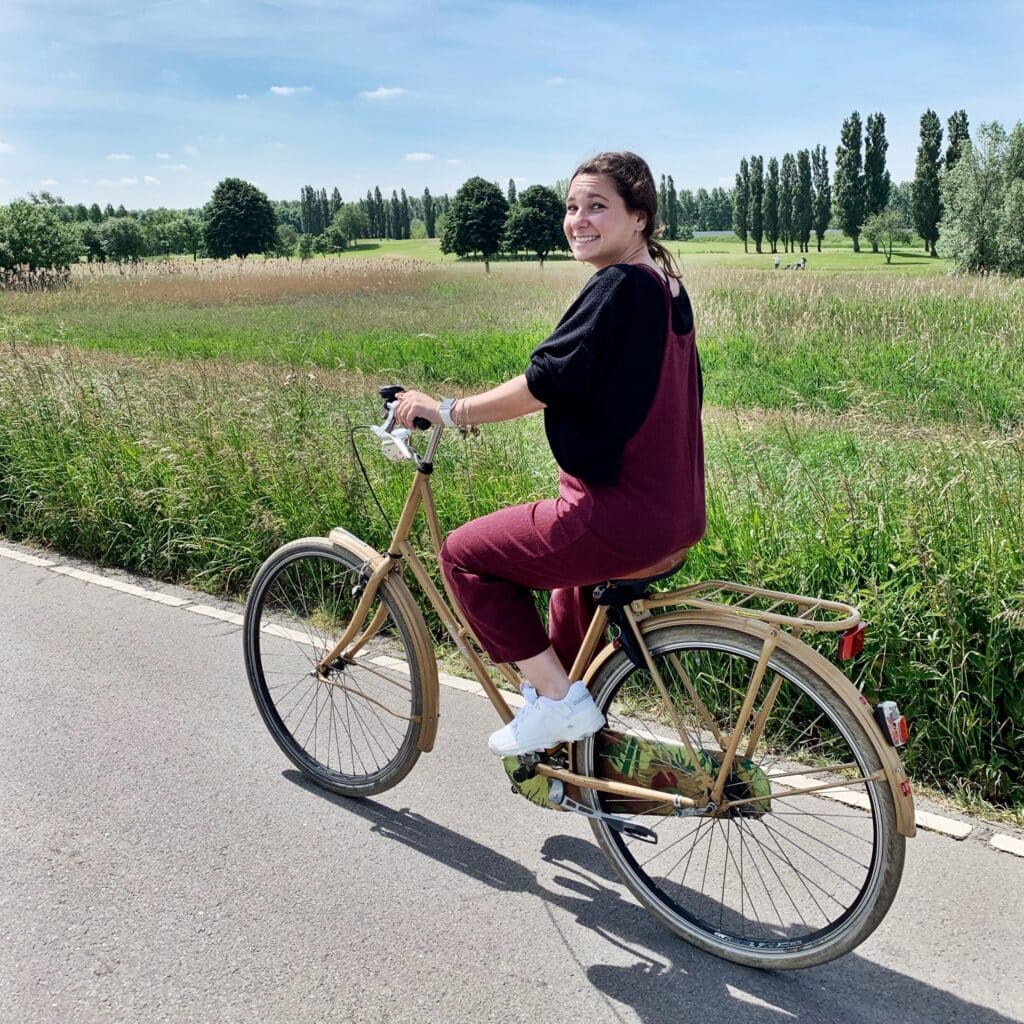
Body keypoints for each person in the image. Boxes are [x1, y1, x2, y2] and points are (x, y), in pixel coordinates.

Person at [393, 151, 706, 757]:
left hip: (616, 515)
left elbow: (545, 383)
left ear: (639, 217)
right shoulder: (668, 289)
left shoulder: (617, 287)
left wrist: (450, 410)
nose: (578, 219)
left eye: (597, 206)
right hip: (675, 516)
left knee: (463, 558)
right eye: (571, 207)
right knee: (566, 605)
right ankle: (567, 754)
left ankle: (560, 708)